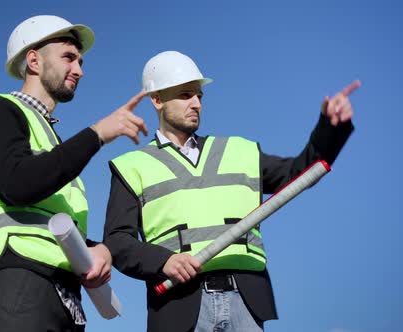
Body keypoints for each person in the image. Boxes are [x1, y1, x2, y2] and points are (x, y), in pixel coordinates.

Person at [103, 50, 359, 331]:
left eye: (199, 95)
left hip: (246, 302)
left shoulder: (240, 151)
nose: (197, 103)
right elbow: (117, 242)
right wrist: (164, 261)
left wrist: (330, 127)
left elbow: (301, 173)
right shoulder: (132, 166)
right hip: (180, 306)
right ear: (157, 99)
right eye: (186, 95)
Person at [0, 15, 147, 332]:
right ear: (33, 60)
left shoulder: (50, 140)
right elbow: (18, 184)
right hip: (18, 279)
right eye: (68, 57)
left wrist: (95, 249)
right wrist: (97, 133)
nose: (79, 70)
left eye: (81, 61)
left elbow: (47, 218)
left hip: (60, 292)